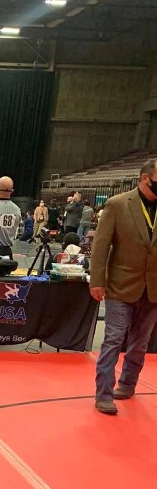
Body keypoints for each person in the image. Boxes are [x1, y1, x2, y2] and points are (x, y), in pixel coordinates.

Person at [89, 158, 157, 416]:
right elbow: (101, 246)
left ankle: (128, 384)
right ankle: (103, 394)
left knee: (140, 343)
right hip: (120, 286)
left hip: (152, 290)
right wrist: (97, 280)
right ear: (145, 178)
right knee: (113, 340)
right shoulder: (117, 205)